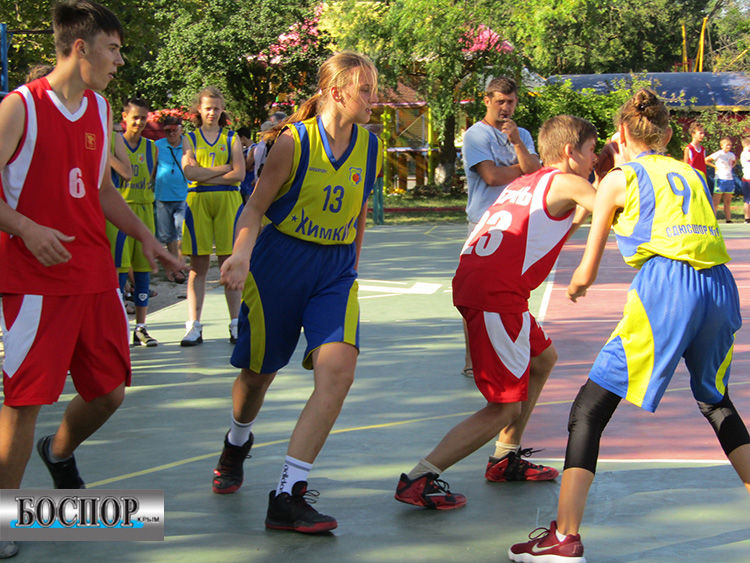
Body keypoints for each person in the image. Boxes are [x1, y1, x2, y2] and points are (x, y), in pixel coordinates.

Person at [508, 89, 750, 562]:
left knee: (589, 409)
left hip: (669, 290)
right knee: (716, 402)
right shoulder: (692, 173)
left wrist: (575, 285)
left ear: (620, 133)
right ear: (668, 133)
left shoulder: (619, 180)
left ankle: (564, 538)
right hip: (720, 288)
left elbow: (588, 267)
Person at [0, 1, 179, 559]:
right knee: (24, 401)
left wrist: (147, 237)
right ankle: (4, 515)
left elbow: (101, 191)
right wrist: (26, 227)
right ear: (81, 48)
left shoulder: (100, 110)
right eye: (113, 48)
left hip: (94, 274)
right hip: (35, 280)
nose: (119, 60)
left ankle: (58, 452)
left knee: (108, 392)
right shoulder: (19, 108)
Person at [394, 115, 599, 511]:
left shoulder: (526, 182)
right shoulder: (568, 182)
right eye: (592, 151)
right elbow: (615, 207)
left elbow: (554, 230)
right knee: (504, 405)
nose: (594, 159)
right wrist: (625, 171)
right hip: (496, 296)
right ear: (570, 152)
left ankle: (506, 457)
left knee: (543, 359)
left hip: (485, 286)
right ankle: (420, 477)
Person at [215, 51, 382, 534]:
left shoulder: (371, 146)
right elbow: (254, 207)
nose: (374, 100)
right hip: (280, 264)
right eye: (366, 90)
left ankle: (288, 494)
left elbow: (358, 212)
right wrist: (241, 254)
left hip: (334, 270)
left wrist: (352, 266)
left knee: (339, 372)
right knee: (258, 375)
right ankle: (237, 441)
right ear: (336, 92)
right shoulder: (294, 142)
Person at [461, 76, 541, 379]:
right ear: (487, 101)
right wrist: (522, 169)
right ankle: (472, 359)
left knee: (512, 290)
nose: (505, 107)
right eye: (500, 101)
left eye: (510, 102)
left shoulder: (522, 134)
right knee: (476, 293)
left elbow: (535, 172)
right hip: (483, 224)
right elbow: (491, 176)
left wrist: (517, 142)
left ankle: (513, 352)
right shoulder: (476, 135)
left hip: (516, 222)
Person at [181, 86, 245, 346]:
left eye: (216, 108)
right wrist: (224, 168)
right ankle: (193, 325)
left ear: (222, 110)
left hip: (228, 200)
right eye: (207, 108)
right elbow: (189, 173)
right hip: (198, 202)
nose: (212, 112)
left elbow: (239, 174)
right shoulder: (190, 138)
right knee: (198, 266)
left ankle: (236, 323)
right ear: (199, 109)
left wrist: (205, 174)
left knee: (228, 262)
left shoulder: (231, 137)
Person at [106, 97, 160, 346]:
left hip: (145, 209)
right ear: (124, 118)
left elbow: (151, 177)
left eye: (143, 117)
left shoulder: (152, 147)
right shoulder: (112, 143)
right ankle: (118, 328)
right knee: (119, 271)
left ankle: (141, 328)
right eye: (135, 117)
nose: (139, 122)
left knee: (142, 271)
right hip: (120, 212)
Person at [154, 114, 188, 282]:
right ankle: (175, 266)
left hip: (183, 195)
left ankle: (181, 264)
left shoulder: (188, 144)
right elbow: (153, 168)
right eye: (167, 131)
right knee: (168, 235)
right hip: (162, 195)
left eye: (175, 130)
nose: (171, 134)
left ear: (181, 129)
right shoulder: (157, 146)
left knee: (183, 232)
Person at [706, 136, 737, 223]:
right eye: (727, 145)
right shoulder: (719, 154)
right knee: (716, 201)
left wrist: (731, 166)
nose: (729, 147)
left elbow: (735, 161)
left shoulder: (731, 155)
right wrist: (715, 166)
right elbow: (706, 160)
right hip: (720, 179)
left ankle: (728, 219)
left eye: (730, 145)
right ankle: (713, 219)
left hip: (729, 179)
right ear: (722, 145)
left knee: (727, 201)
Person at [237, 126, 256, 204]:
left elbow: (245, 166)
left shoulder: (253, 149)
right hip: (244, 186)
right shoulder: (247, 150)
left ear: (243, 138)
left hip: (250, 185)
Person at [740, 137, 750, 223]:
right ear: (747, 145)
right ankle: (747, 218)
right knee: (747, 199)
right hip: (747, 179)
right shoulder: (745, 153)